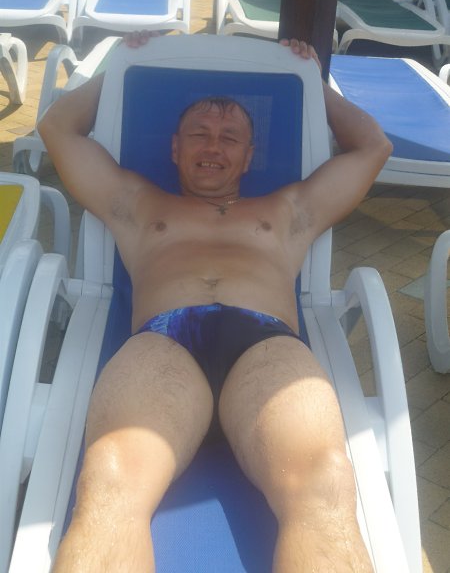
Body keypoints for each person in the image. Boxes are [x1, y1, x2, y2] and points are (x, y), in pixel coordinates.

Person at [39, 33, 392, 573]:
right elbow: (57, 128)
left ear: (249, 157)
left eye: (230, 138)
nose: (213, 146)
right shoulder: (136, 203)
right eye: (199, 134)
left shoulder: (289, 210)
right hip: (164, 343)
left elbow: (373, 147)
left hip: (266, 346)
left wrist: (311, 83)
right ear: (174, 148)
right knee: (109, 478)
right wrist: (123, 65)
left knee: (325, 485)